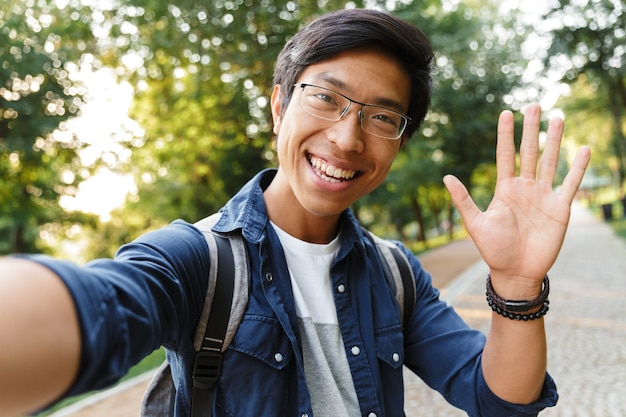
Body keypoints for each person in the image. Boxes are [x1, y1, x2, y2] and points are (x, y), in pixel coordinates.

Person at [0, 8, 590, 417]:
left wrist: (516, 285)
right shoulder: (196, 261)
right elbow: (98, 307)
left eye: (382, 117)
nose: (347, 137)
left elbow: (500, 400)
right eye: (327, 98)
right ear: (280, 105)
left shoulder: (395, 274)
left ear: (398, 141)